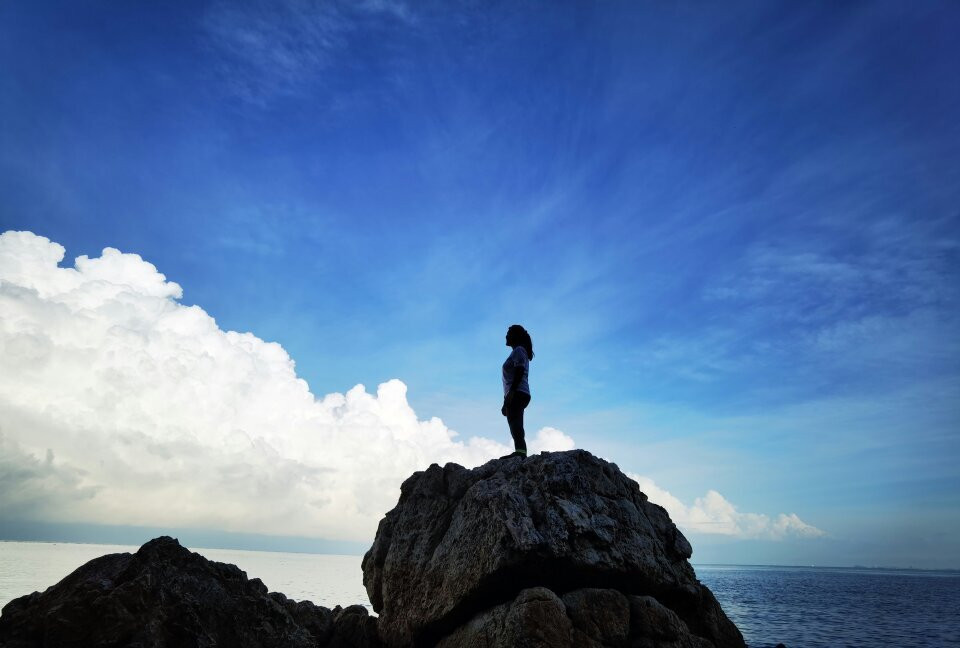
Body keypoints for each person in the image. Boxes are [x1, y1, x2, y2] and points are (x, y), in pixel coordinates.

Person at [501, 324, 533, 458]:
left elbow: (519, 371)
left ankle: (520, 453)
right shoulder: (517, 351)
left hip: (518, 392)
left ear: (516, 336)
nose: (506, 336)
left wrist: (512, 392)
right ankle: (520, 452)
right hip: (516, 392)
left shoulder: (519, 350)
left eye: (509, 333)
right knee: (514, 422)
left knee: (515, 422)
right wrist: (505, 402)